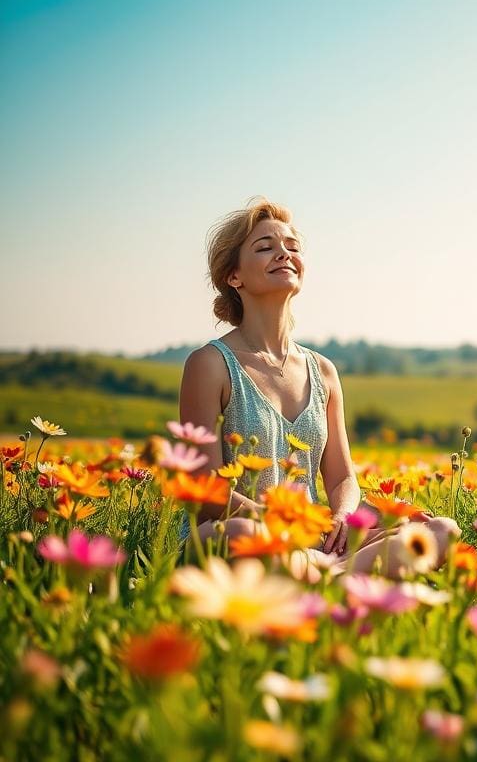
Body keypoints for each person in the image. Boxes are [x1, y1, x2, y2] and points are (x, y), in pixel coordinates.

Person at [177, 198, 459, 575]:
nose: (284, 253)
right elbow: (205, 489)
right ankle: (343, 577)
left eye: (292, 246)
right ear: (234, 277)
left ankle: (326, 575)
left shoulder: (323, 371)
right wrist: (281, 523)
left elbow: (342, 477)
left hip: (313, 539)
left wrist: (342, 516)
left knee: (440, 530)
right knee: (237, 534)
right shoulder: (210, 364)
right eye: (265, 247)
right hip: (244, 532)